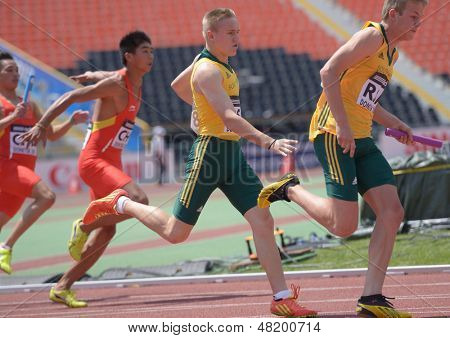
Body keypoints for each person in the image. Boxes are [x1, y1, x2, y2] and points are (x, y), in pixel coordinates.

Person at [66, 9, 317, 317]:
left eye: (238, 31)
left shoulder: (212, 65)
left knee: (263, 220)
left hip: (232, 156)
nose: (237, 38)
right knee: (176, 233)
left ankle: (280, 299)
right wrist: (269, 141)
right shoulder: (208, 70)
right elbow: (227, 117)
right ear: (210, 35)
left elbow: (177, 86)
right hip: (209, 154)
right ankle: (121, 203)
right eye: (230, 33)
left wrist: (199, 104)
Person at [258, 0, 428, 318]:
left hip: (360, 138)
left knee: (392, 212)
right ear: (394, 14)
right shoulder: (373, 37)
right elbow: (329, 71)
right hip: (334, 134)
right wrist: (345, 127)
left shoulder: (392, 52)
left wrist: (395, 123)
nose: (419, 23)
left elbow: (365, 100)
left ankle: (372, 297)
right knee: (344, 226)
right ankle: (289, 188)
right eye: (414, 16)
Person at [21, 31, 153, 307]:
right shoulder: (117, 84)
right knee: (139, 200)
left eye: (151, 51)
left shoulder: (131, 81)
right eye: (145, 51)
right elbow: (70, 98)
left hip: (110, 162)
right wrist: (41, 125)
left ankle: (63, 286)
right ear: (129, 56)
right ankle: (82, 225)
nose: (151, 56)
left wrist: (91, 75)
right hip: (95, 161)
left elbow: (106, 74)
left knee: (107, 233)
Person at [0, 51, 88, 274]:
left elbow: (51, 134)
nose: (15, 74)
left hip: (23, 170)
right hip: (6, 166)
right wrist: (11, 118)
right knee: (47, 196)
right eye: (8, 70)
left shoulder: (29, 105)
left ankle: (5, 247)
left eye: (16, 70)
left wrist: (70, 121)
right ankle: (6, 246)